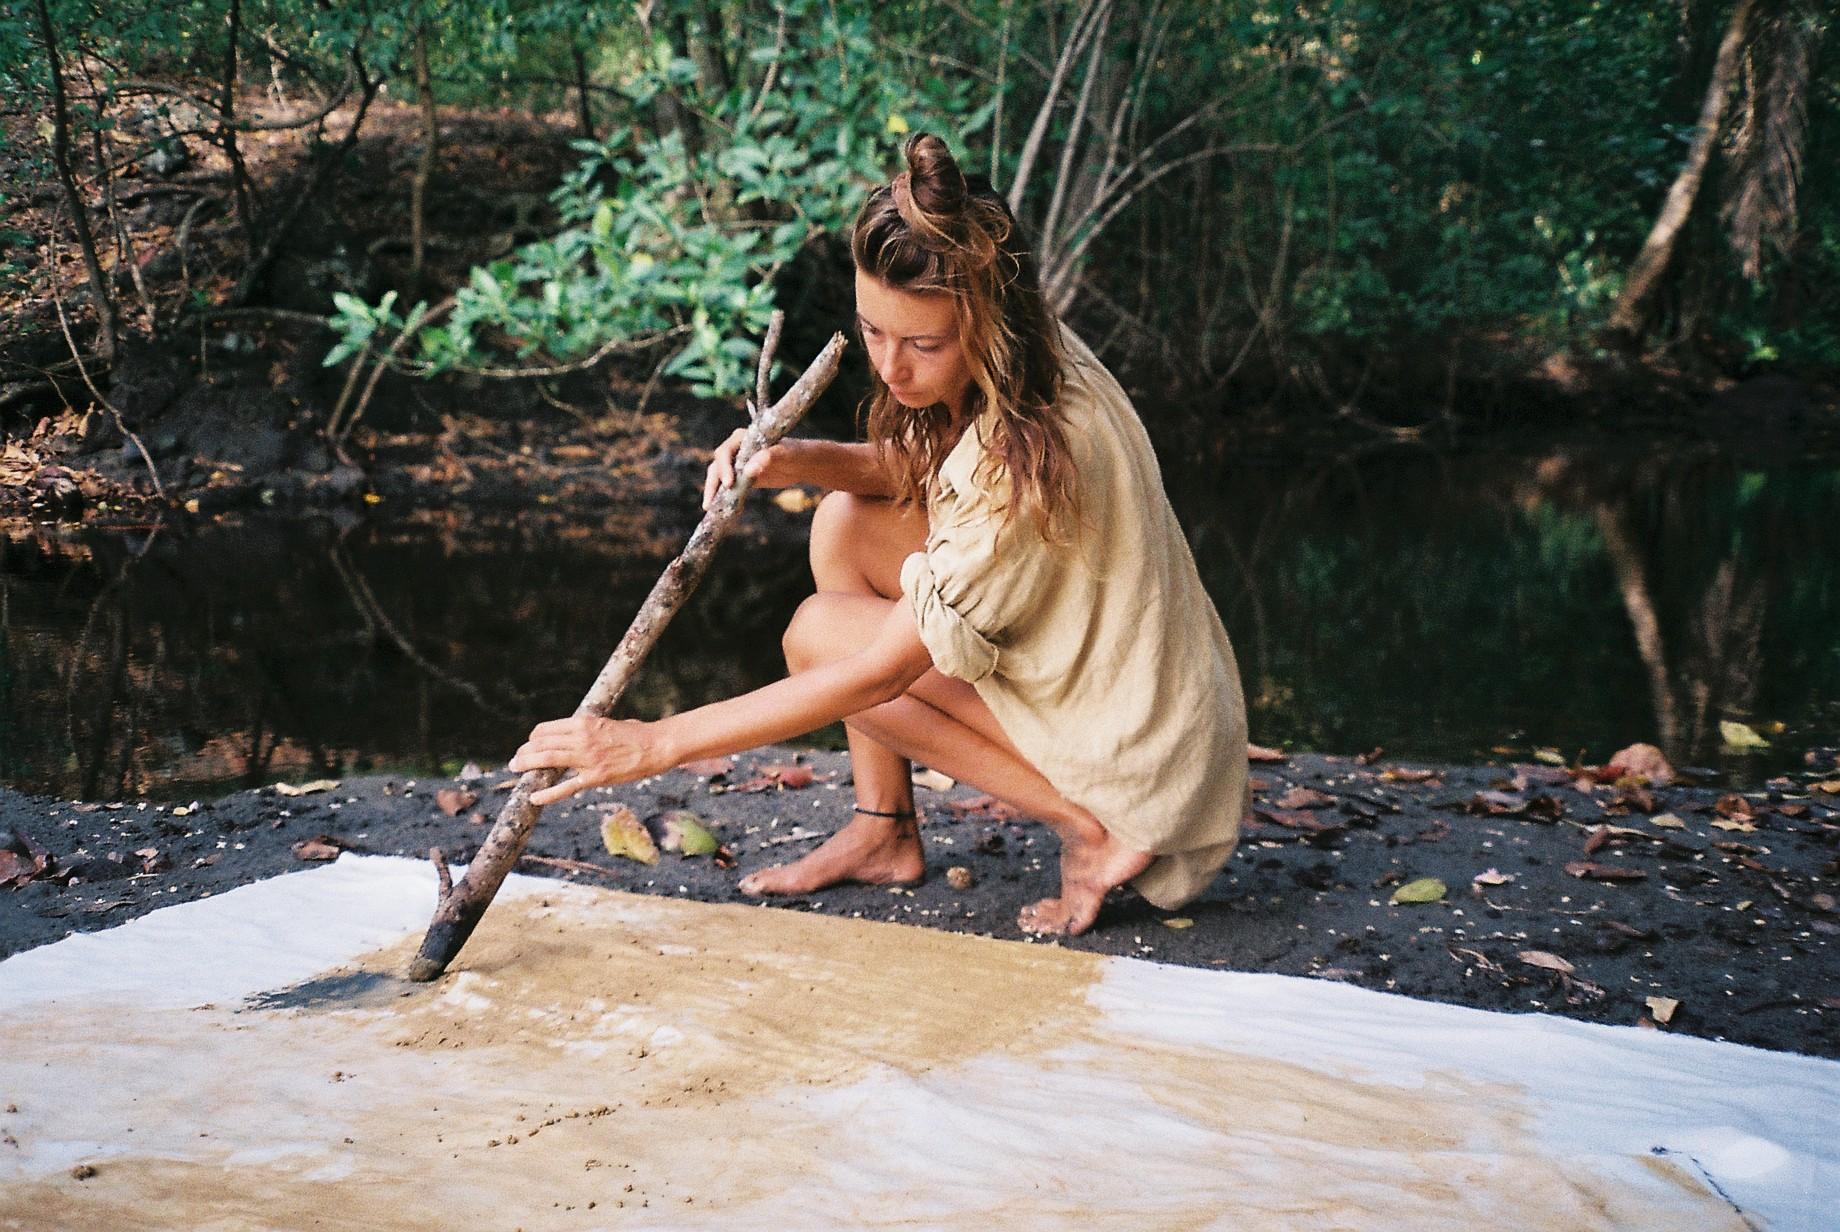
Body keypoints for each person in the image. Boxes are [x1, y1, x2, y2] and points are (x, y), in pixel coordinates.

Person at [509, 134, 1249, 936]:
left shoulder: (1022, 466)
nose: (892, 369)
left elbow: (876, 674)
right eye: (872, 332)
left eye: (923, 344)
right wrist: (797, 459)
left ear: (986, 326)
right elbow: (932, 463)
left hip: (1144, 769)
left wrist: (650, 744)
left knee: (819, 636)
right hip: (1151, 710)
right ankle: (883, 829)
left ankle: (1092, 829)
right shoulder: (1038, 347)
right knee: (845, 521)